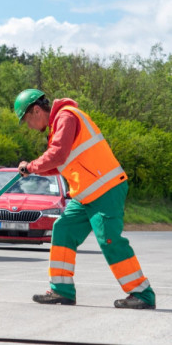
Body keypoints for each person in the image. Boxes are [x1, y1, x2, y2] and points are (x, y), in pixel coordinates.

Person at [15, 89, 155, 309]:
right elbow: (61, 163)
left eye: (26, 120)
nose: (29, 126)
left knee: (109, 239)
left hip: (105, 189)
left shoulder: (66, 116)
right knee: (63, 229)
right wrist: (33, 170)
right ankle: (61, 290)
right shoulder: (60, 123)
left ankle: (142, 293)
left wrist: (31, 165)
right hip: (86, 193)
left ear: (36, 110)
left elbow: (58, 154)